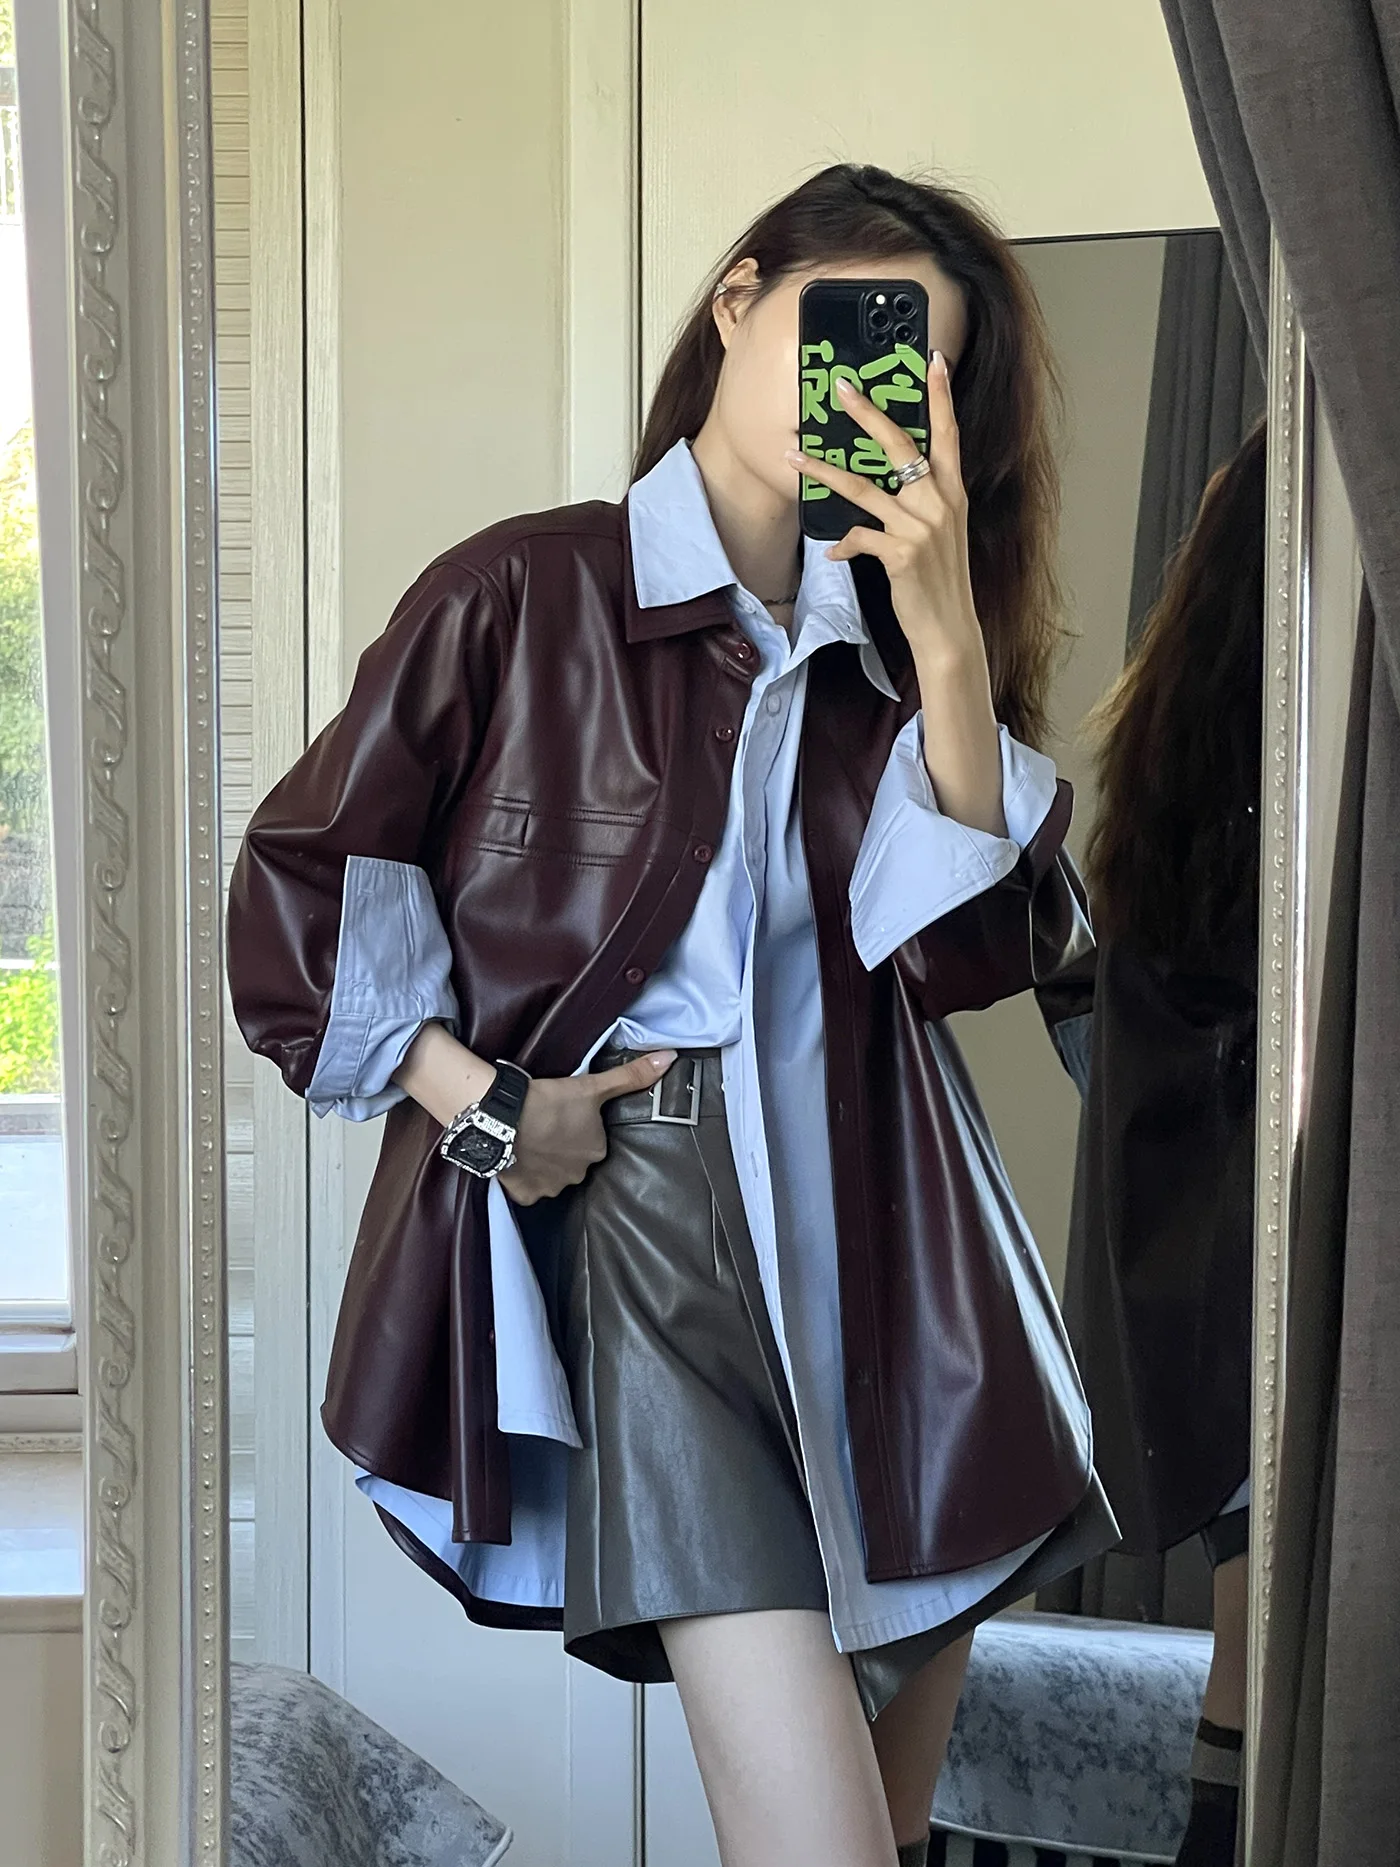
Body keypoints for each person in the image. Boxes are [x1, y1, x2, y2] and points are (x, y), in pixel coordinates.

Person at [227, 163, 1115, 1867]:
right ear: (738, 298)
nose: (868, 392)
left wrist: (946, 644)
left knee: (882, 1838)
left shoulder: (891, 651)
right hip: (652, 1237)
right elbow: (301, 881)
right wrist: (484, 1101)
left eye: (915, 372)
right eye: (843, 332)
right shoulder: (522, 593)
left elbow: (964, 960)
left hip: (907, 1241)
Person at [1068, 419, 1267, 1867]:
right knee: (1271, 1669)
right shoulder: (1299, 811)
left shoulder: (1167, 792)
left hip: (1203, 1298)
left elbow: (1096, 1022)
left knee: (1252, 1662)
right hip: (1271, 1281)